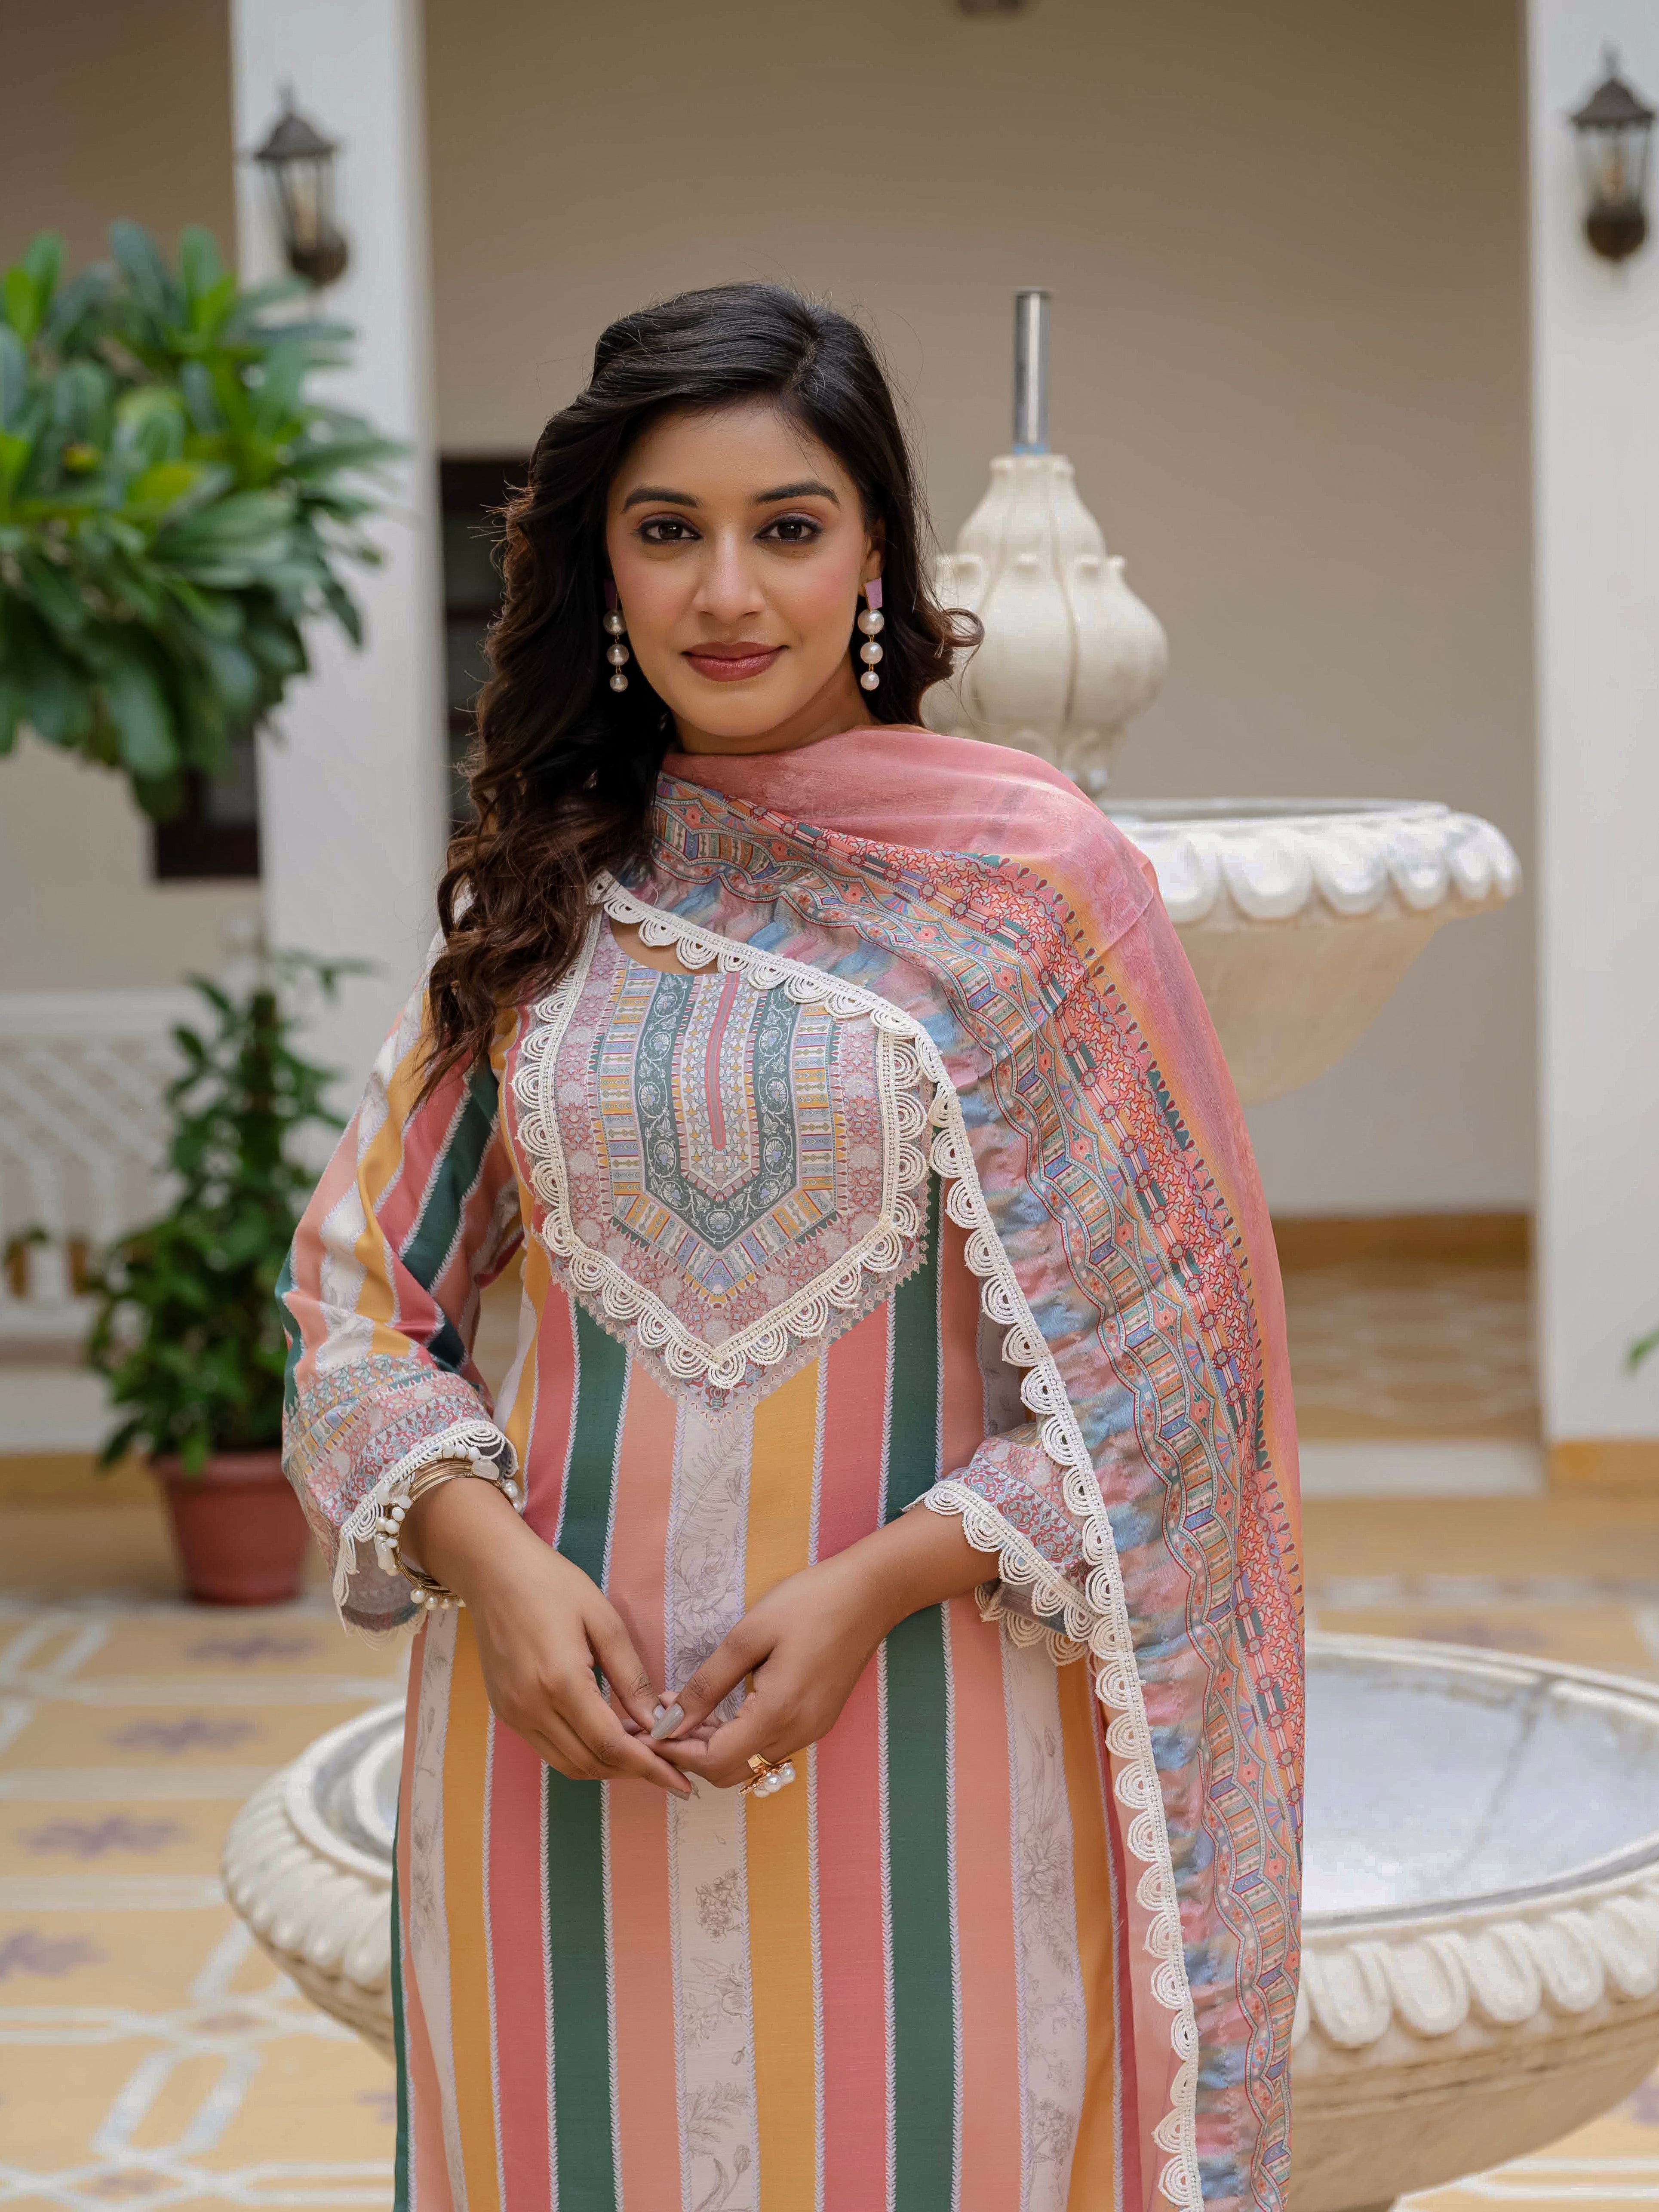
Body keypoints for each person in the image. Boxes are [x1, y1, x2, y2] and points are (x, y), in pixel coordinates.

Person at [280, 283, 1303, 2212]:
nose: (727, 591)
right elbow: (354, 1306)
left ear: (873, 556)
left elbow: (1174, 1367)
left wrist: (878, 1583)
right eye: (667, 529)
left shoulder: (1027, 887)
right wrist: (493, 1563)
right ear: (602, 564)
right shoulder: (546, 896)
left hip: (931, 1731)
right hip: (553, 1752)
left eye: (789, 525)